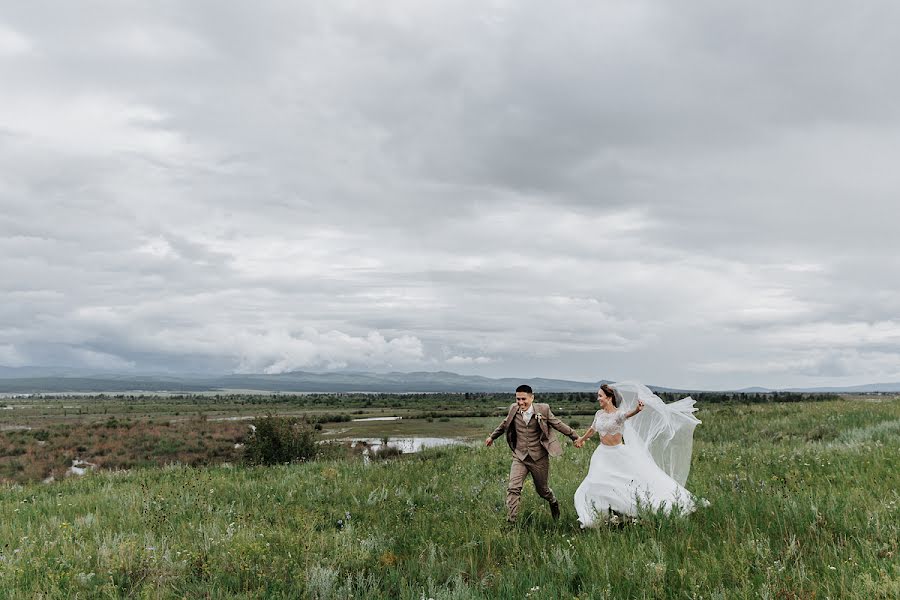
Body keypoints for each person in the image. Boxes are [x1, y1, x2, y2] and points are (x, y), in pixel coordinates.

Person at [573, 382, 701, 527]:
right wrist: (581, 439)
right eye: (598, 396)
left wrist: (637, 409)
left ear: (609, 398)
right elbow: (592, 429)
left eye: (600, 396)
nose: (598, 399)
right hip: (601, 455)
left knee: (626, 483)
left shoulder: (618, 415)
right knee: (595, 483)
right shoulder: (599, 414)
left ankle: (628, 511)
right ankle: (599, 515)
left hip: (617, 454)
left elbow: (628, 415)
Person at [485, 384, 580, 524]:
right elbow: (505, 424)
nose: (520, 402)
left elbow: (558, 424)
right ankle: (511, 522)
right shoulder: (513, 409)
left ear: (532, 397)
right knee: (513, 488)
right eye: (518, 399)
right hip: (520, 456)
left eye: (524, 399)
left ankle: (553, 501)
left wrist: (575, 437)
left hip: (539, 458)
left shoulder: (543, 409)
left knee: (543, 491)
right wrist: (492, 437)